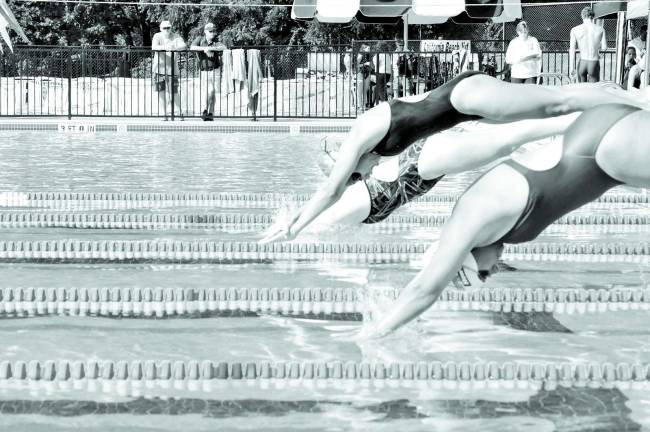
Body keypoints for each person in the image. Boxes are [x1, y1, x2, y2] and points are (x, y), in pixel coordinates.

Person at [355, 103, 650, 339]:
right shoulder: (478, 220)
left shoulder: (469, 219)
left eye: (482, 274)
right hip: (600, 141)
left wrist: (374, 335)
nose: (492, 271)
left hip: (603, 147)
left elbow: (424, 290)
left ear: (464, 260)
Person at [259, 71, 649, 245]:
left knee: (553, 106)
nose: (368, 173)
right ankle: (618, 100)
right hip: (463, 105)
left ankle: (635, 101)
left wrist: (293, 228)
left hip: (462, 97)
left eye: (357, 176)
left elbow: (329, 190)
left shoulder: (360, 135)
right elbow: (331, 189)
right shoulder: (367, 149)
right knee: (546, 110)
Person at [312, 114, 578, 227]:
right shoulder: (345, 196)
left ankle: (574, 120)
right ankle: (570, 124)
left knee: (507, 140)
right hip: (425, 160)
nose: (365, 174)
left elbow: (316, 233)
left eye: (355, 174)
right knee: (505, 139)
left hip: (424, 162)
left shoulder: (343, 203)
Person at [190, 22, 227, 121]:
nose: (213, 33)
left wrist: (211, 48)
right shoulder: (200, 39)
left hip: (215, 70)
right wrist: (205, 49)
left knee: (213, 92)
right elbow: (192, 47)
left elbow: (224, 47)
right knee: (208, 91)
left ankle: (211, 113)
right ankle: (205, 110)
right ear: (205, 32)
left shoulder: (216, 40)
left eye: (214, 31)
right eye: (210, 31)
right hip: (204, 71)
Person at [152, 20, 187, 120]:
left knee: (174, 92)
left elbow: (184, 46)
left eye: (168, 27)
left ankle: (180, 113)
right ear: (160, 29)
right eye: (165, 28)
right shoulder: (157, 36)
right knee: (161, 92)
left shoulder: (175, 36)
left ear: (171, 28)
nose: (167, 30)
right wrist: (165, 47)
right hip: (159, 69)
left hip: (172, 70)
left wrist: (174, 48)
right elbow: (154, 47)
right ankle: (164, 114)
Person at [569, 7, 607, 83]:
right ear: (592, 16)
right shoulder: (600, 29)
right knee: (593, 90)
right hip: (594, 62)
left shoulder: (575, 29)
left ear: (582, 16)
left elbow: (572, 49)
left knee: (582, 90)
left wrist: (571, 67)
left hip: (582, 62)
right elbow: (604, 47)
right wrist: (597, 50)